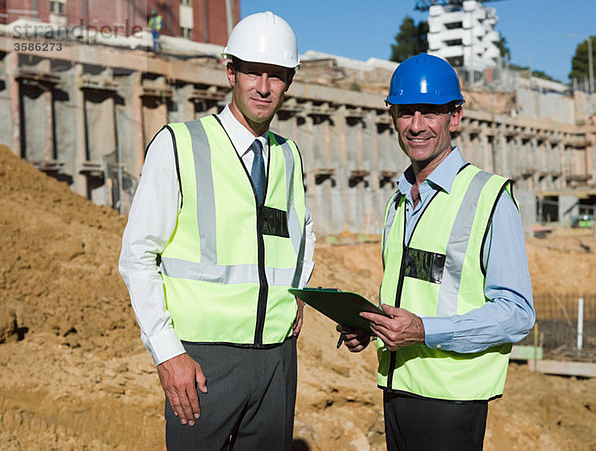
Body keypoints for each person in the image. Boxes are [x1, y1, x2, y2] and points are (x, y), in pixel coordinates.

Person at [119, 11, 315, 450]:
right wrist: (168, 352)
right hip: (203, 361)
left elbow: (302, 233)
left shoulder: (288, 156)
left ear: (290, 81)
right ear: (231, 72)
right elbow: (137, 256)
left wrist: (297, 292)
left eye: (277, 75)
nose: (264, 87)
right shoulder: (179, 145)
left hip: (277, 359)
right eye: (253, 73)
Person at [340, 53, 534, 451]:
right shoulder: (398, 202)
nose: (415, 126)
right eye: (404, 112)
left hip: (451, 402)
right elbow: (421, 289)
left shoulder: (489, 197)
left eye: (429, 112)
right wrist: (373, 326)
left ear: (455, 116)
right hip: (397, 390)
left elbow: (517, 314)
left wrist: (424, 331)